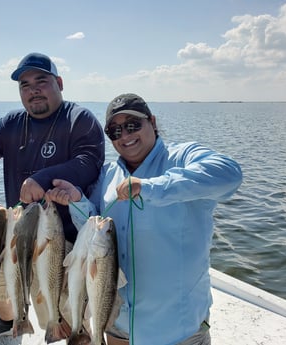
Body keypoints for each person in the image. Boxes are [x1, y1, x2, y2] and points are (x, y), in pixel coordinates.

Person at [45, 93, 243, 345]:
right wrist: (77, 201)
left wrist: (149, 187)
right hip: (118, 325)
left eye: (132, 125)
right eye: (114, 131)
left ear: (152, 121)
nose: (124, 136)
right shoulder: (108, 173)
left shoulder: (183, 156)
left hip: (178, 329)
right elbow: (95, 229)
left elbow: (230, 174)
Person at [0, 52, 105, 343]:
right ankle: (6, 321)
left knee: (69, 313)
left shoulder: (79, 119)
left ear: (59, 83)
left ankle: (73, 331)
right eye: (25, 85)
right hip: (19, 231)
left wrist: (41, 177)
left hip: (64, 240)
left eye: (41, 81)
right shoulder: (14, 122)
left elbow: (89, 161)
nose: (32, 89)